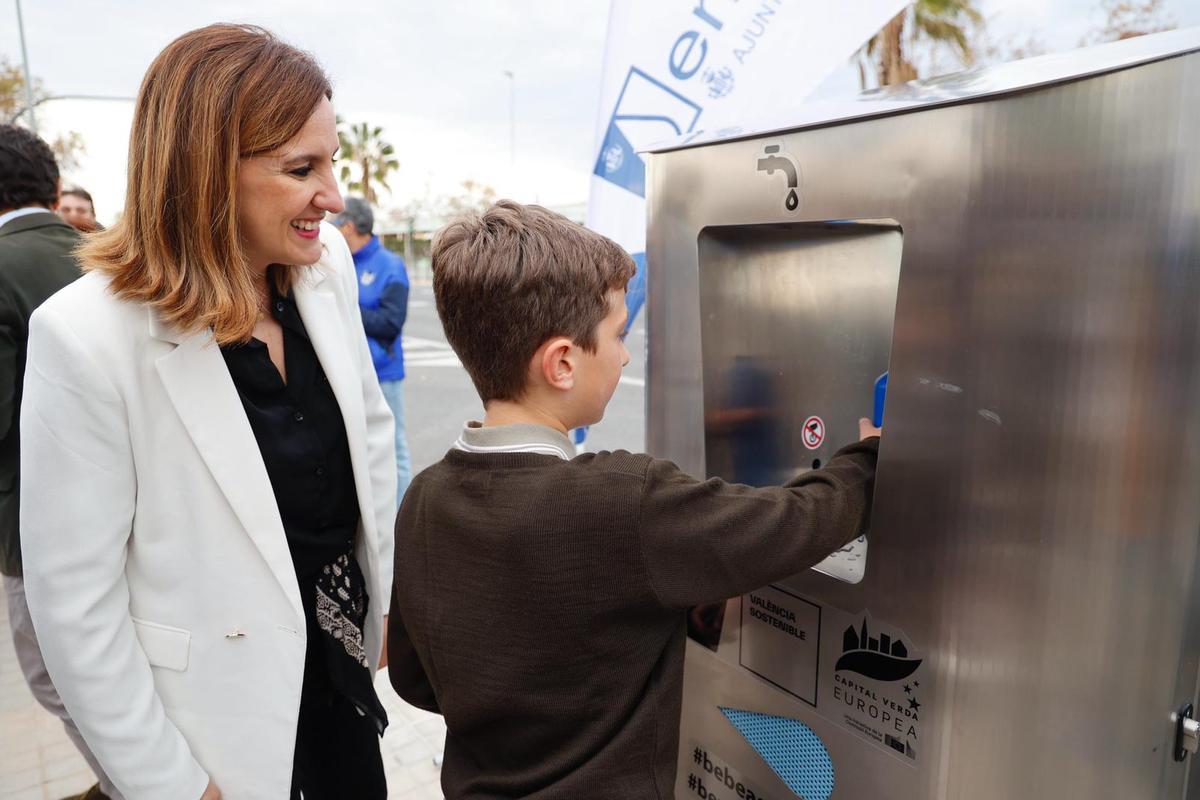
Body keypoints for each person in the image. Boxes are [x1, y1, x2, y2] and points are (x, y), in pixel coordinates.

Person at [387, 200, 881, 798]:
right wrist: (868, 458)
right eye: (618, 334)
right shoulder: (622, 500)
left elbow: (415, 679)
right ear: (562, 362)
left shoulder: (424, 498)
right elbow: (793, 522)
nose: (624, 353)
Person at [19, 25, 396, 800]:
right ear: (205, 172)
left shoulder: (320, 271)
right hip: (214, 736)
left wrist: (381, 601)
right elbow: (75, 608)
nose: (333, 195)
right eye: (302, 168)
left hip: (340, 681)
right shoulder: (85, 336)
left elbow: (372, 436)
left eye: (330, 162)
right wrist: (170, 783)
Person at [0, 125, 116, 800]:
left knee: (52, 673)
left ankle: (140, 780)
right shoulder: (103, 254)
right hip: (126, 497)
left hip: (34, 521)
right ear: (50, 188)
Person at [333, 197, 412, 500]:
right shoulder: (337, 263)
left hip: (384, 373)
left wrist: (347, 309)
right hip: (346, 373)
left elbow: (391, 322)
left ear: (349, 226)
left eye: (334, 224)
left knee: (394, 446)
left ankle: (400, 520)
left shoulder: (389, 265)